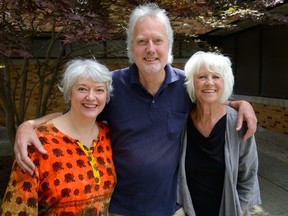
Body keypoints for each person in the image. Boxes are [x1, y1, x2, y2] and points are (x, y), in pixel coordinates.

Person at [13, 3, 258, 216]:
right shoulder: (110, 86)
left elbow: (212, 100)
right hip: (120, 208)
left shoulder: (186, 86)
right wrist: (30, 125)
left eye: (157, 41)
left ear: (168, 46)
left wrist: (240, 105)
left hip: (174, 208)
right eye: (142, 41)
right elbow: (72, 117)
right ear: (132, 47)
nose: (150, 49)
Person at [0, 59, 117, 215]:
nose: (91, 97)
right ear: (69, 93)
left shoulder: (107, 135)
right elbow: (18, 209)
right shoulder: (38, 142)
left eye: (99, 90)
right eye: (82, 89)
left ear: (106, 96)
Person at [177, 51, 261, 216]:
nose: (209, 83)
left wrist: (240, 210)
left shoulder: (238, 123)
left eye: (216, 77)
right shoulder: (181, 121)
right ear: (192, 83)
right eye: (202, 77)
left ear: (225, 82)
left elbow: (248, 176)